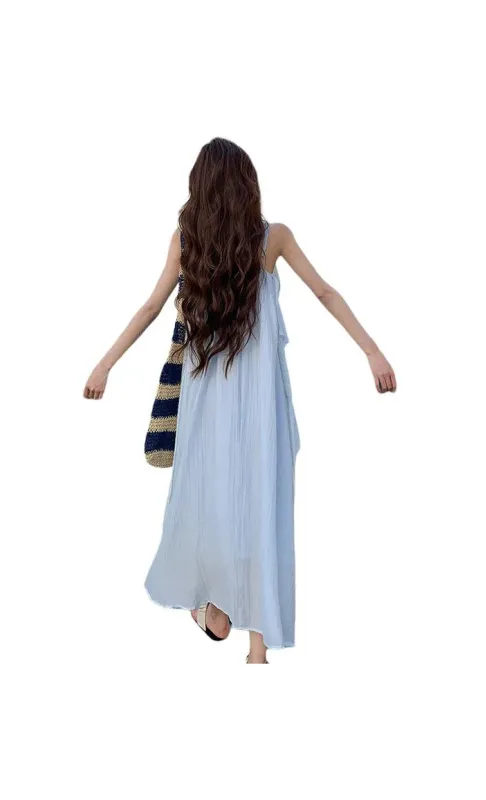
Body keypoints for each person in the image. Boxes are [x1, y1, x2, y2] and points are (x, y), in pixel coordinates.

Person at [83, 138, 396, 663]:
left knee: (209, 500)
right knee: (261, 504)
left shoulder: (190, 241)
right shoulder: (272, 238)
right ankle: (254, 646)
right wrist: (373, 351)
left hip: (206, 403)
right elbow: (325, 291)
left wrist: (105, 364)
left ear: (200, 188)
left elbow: (151, 306)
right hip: (260, 404)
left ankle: (215, 610)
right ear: (248, 186)